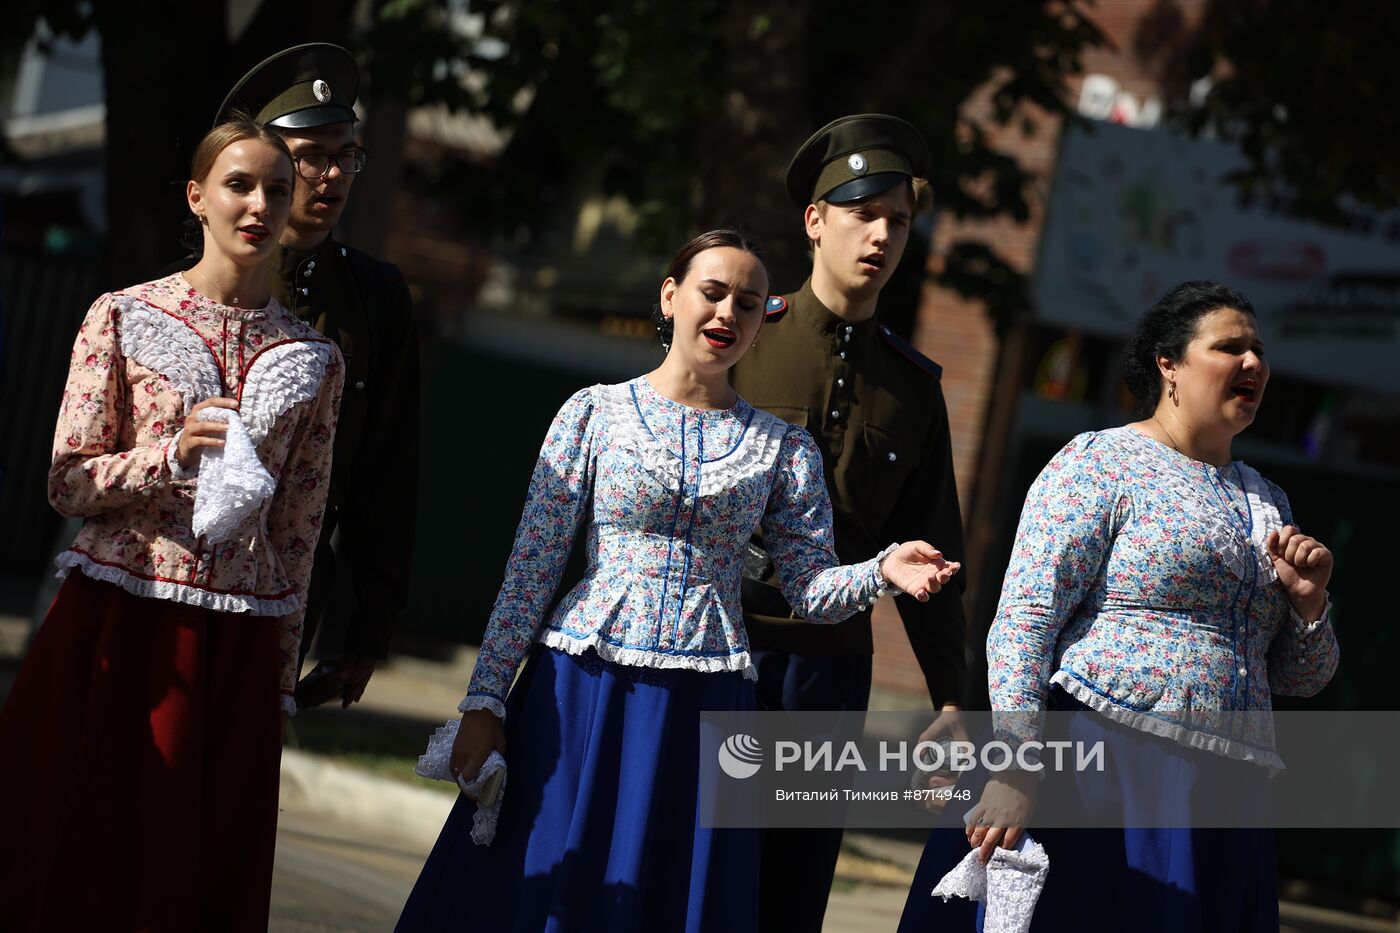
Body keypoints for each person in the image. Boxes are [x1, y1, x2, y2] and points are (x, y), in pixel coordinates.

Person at [395, 229, 962, 932]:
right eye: (713, 293)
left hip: (704, 699)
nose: (727, 314)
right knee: (544, 884)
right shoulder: (592, 412)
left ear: (761, 323)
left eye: (748, 304)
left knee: (661, 893)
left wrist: (882, 570)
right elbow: (531, 569)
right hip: (580, 688)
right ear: (671, 297)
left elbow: (810, 590)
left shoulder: (784, 450)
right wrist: (486, 699)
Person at [898, 281, 1340, 932]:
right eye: (1230, 347)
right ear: (1169, 363)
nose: (1253, 364)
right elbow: (1024, 618)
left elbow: (1302, 677)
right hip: (1104, 772)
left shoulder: (1267, 498)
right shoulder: (1102, 462)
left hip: (1224, 789)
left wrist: (1309, 604)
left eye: (1260, 351)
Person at [0, 118, 344, 931]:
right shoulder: (121, 315)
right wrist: (170, 455)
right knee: (72, 842)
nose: (259, 204)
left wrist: (280, 680)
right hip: (117, 619)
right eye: (239, 184)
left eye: (278, 189)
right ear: (198, 197)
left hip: (235, 644)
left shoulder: (313, 359)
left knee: (189, 871)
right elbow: (67, 479)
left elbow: (300, 529)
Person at [728, 113, 969, 929]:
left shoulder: (913, 388)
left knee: (785, 890)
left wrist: (955, 698)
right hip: (717, 646)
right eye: (863, 212)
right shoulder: (743, 338)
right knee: (689, 869)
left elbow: (938, 553)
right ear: (815, 220)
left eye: (898, 220)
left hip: (827, 673)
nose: (881, 235)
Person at [213, 42, 419, 707]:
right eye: (312, 157)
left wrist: (365, 630)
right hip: (179, 570)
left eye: (346, 157)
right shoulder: (208, 280)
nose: (332, 176)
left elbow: (386, 469)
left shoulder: (376, 296)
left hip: (291, 586)